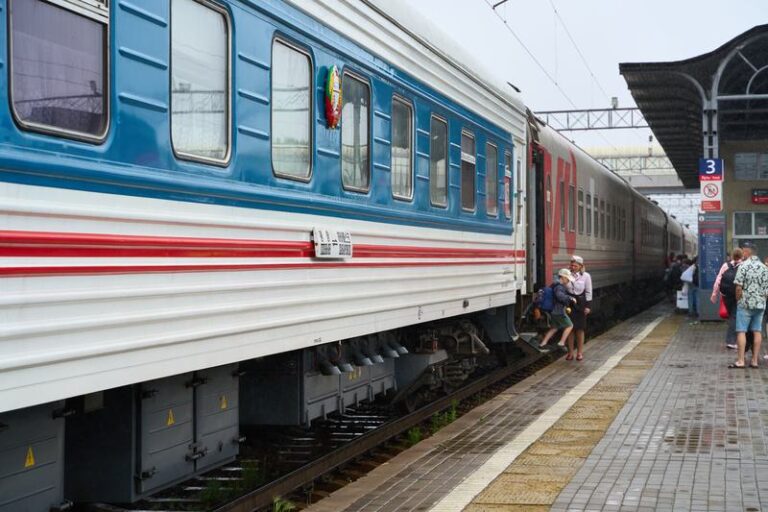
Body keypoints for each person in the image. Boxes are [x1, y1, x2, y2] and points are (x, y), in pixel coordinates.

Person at [729, 241, 768, 369]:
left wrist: (738, 299)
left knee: (741, 331)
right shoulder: (764, 267)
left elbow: (738, 287)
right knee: (757, 331)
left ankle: (741, 361)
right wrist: (762, 299)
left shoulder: (743, 266)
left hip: (745, 304)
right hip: (760, 304)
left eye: (743, 251)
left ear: (746, 252)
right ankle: (755, 361)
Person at [538, 269, 578, 351]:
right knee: (570, 325)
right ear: (563, 277)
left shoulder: (554, 284)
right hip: (558, 311)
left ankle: (543, 344)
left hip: (553, 311)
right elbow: (560, 296)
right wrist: (570, 298)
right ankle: (561, 343)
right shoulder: (559, 286)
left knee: (554, 328)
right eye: (567, 279)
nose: (568, 281)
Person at [711, 249, 742, 349]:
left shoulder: (725, 265)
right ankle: (731, 341)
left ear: (732, 255)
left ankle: (733, 338)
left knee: (732, 315)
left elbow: (718, 280)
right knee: (734, 316)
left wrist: (714, 294)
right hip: (738, 295)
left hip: (726, 295)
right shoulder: (744, 265)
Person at [566, 255, 592, 361]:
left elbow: (589, 291)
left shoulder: (586, 276)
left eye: (575, 265)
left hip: (581, 304)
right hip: (569, 303)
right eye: (572, 265)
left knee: (580, 329)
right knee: (569, 329)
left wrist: (588, 306)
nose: (573, 267)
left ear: (581, 266)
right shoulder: (567, 275)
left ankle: (580, 353)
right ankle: (570, 353)